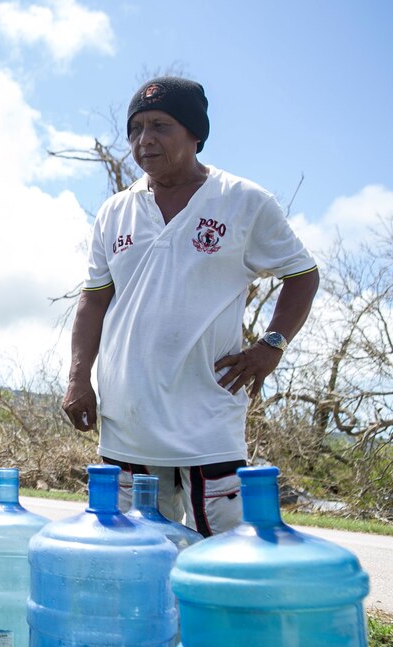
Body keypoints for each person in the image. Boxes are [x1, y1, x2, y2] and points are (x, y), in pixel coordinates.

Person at [61, 77, 319, 537]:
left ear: (195, 134)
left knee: (221, 559)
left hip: (206, 423)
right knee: (133, 557)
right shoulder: (114, 212)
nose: (145, 140)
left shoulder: (243, 201)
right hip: (128, 422)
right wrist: (79, 377)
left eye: (160, 125)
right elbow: (93, 300)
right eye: (136, 128)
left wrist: (272, 345)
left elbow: (302, 274)